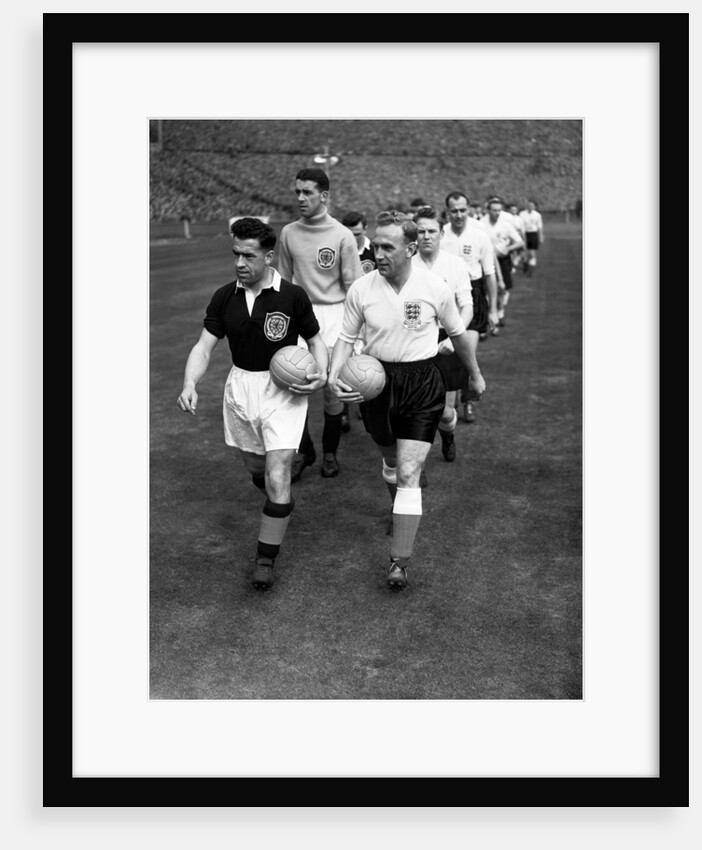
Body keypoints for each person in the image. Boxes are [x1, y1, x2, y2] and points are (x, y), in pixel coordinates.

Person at [328, 210, 486, 591]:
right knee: (390, 463)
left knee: (409, 472)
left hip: (421, 382)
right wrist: (334, 375)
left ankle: (400, 561)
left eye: (387, 246)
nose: (377, 253)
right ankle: (398, 506)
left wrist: (475, 375)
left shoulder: (435, 287)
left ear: (410, 249)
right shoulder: (361, 289)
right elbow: (346, 339)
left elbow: (459, 334)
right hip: (376, 382)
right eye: (376, 245)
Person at [176, 217, 329, 590]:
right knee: (257, 469)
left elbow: (317, 340)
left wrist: (321, 371)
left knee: (279, 472)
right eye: (236, 254)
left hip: (283, 391)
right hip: (241, 389)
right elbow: (204, 345)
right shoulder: (223, 296)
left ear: (268, 256)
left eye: (248, 255)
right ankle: (280, 506)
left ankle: (265, 558)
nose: (239, 263)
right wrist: (189, 382)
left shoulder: (291, 295)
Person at [277, 168, 363, 480]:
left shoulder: (341, 235)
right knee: (292, 386)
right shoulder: (288, 233)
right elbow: (283, 280)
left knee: (331, 390)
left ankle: (329, 453)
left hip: (335, 316)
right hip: (301, 316)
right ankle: (305, 451)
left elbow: (354, 287)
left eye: (307, 192)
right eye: (297, 191)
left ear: (324, 195)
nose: (300, 198)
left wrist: (358, 334)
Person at [412, 205, 474, 462]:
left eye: (431, 231)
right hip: (415, 341)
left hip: (447, 340)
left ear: (441, 234)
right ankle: (416, 460)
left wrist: (453, 337)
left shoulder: (455, 265)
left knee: (446, 412)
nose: (426, 236)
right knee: (417, 409)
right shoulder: (406, 265)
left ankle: (447, 435)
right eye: (421, 231)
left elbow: (467, 305)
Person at [441, 191, 499, 422]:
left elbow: (490, 274)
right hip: (447, 295)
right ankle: (451, 403)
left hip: (473, 294)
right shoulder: (439, 235)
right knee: (451, 351)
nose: (458, 215)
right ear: (447, 212)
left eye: (463, 210)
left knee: (467, 350)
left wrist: (494, 308)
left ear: (469, 210)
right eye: (454, 210)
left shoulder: (480, 236)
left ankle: (467, 401)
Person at [479, 196, 525, 329]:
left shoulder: (506, 225)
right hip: (485, 260)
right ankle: (490, 317)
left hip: (502, 259)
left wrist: (508, 249)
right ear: (488, 210)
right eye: (494, 210)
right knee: (486, 289)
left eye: (499, 210)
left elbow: (520, 242)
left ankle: (500, 312)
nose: (497, 213)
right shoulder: (481, 224)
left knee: (503, 288)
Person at [519, 198, 545, 275]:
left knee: (532, 251)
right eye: (529, 205)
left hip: (533, 234)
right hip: (524, 234)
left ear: (535, 207)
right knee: (524, 252)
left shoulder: (537, 215)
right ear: (527, 206)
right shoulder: (522, 214)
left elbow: (540, 226)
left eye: (532, 206)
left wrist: (541, 236)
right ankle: (525, 263)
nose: (530, 207)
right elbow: (521, 225)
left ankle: (531, 269)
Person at [507, 202, 527, 275]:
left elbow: (522, 230)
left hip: (518, 236)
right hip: (510, 237)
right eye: (512, 209)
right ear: (509, 210)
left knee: (522, 252)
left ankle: (517, 262)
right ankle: (512, 267)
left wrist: (524, 239)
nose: (514, 211)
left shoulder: (519, 219)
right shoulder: (507, 218)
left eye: (515, 209)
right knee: (512, 252)